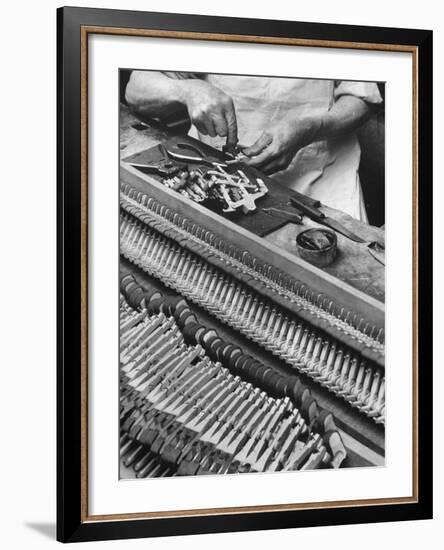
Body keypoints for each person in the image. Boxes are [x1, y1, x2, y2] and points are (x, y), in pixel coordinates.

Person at [125, 71, 382, 221]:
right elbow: (137, 89)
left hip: (322, 177)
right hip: (215, 174)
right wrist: (186, 90)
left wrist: (310, 128)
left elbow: (361, 99)